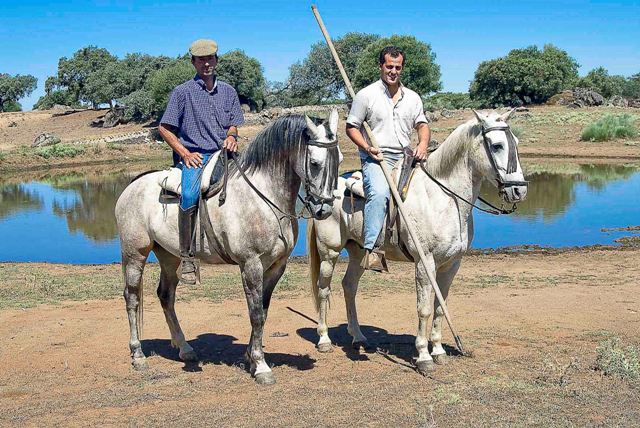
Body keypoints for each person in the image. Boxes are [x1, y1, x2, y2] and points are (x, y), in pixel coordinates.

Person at [158, 39, 244, 285]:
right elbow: (164, 128)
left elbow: (233, 123)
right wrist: (184, 154)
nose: (206, 63)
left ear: (217, 60)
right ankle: (187, 257)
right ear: (193, 62)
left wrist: (231, 136)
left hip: (224, 153)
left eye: (210, 58)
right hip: (195, 156)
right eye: (201, 60)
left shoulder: (228, 91)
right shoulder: (182, 92)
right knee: (189, 194)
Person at [345, 46, 431, 271]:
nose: (393, 71)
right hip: (376, 157)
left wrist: (422, 144)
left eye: (398, 67)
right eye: (389, 66)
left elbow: (422, 125)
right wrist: (367, 147)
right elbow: (351, 127)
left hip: (405, 156)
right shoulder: (366, 95)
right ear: (380, 66)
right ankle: (372, 250)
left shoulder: (412, 97)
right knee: (381, 193)